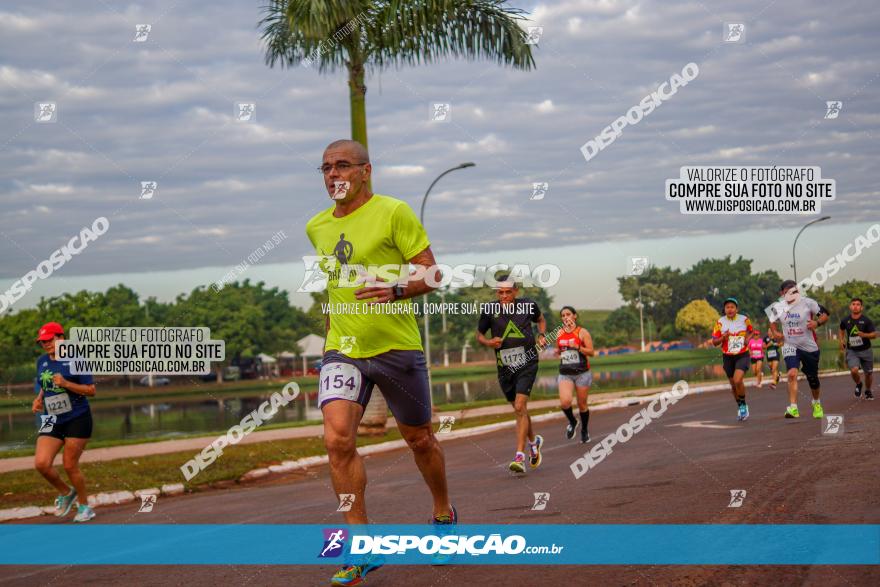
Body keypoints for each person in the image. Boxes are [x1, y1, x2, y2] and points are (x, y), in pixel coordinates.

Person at [306, 140, 455, 586]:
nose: (334, 174)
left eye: (343, 166)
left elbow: (432, 273)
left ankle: (443, 513)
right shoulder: (316, 227)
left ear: (366, 171)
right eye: (326, 167)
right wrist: (331, 339)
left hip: (396, 347)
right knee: (336, 441)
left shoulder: (395, 212)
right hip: (343, 350)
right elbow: (334, 290)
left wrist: (393, 289)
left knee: (420, 440)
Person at [476, 275, 546, 474]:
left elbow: (541, 320)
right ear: (496, 293)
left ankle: (519, 457)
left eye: (508, 292)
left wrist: (541, 335)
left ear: (516, 291)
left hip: (528, 362)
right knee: (520, 410)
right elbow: (479, 334)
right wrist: (489, 342)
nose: (504, 295)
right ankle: (534, 442)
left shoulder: (529, 306)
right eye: (500, 292)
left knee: (519, 406)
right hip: (505, 367)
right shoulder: (490, 310)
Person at [31, 322, 97, 523]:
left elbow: (91, 390)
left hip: (77, 417)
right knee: (41, 463)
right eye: (43, 341)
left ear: (61, 337)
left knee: (69, 465)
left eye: (50, 339)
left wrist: (67, 383)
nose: (46, 344)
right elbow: (44, 384)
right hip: (51, 418)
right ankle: (67, 493)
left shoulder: (76, 358)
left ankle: (85, 507)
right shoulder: (42, 361)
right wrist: (39, 398)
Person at [767, 280, 829, 419]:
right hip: (790, 345)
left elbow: (825, 314)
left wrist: (817, 322)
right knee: (792, 373)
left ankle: (816, 403)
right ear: (782, 294)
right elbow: (772, 321)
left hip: (809, 346)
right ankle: (793, 408)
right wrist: (775, 332)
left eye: (794, 291)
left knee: (812, 378)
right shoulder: (777, 306)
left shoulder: (808, 302)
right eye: (787, 292)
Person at [555, 306, 594, 443]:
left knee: (582, 404)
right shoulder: (559, 333)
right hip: (565, 373)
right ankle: (572, 421)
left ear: (575, 316)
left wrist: (578, 347)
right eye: (563, 315)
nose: (566, 317)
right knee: (565, 402)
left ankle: (584, 430)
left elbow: (591, 352)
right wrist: (559, 352)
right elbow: (559, 350)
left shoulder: (582, 332)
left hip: (582, 373)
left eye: (568, 314)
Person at [711, 297, 753, 421]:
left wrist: (747, 339)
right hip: (728, 357)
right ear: (724, 309)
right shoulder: (720, 322)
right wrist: (723, 338)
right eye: (727, 307)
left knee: (737, 379)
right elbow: (714, 342)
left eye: (732, 307)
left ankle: (744, 405)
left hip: (742, 354)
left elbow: (751, 331)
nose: (730, 309)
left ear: (736, 309)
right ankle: (740, 406)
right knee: (733, 385)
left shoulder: (744, 319)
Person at [839, 297, 876, 400]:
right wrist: (841, 340)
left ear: (861, 307)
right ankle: (859, 384)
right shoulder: (845, 320)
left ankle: (868, 391)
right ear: (850, 306)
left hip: (866, 351)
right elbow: (841, 329)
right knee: (854, 371)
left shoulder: (866, 320)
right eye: (853, 304)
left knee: (868, 373)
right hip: (852, 351)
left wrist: (864, 335)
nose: (855, 306)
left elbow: (874, 335)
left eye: (858, 304)